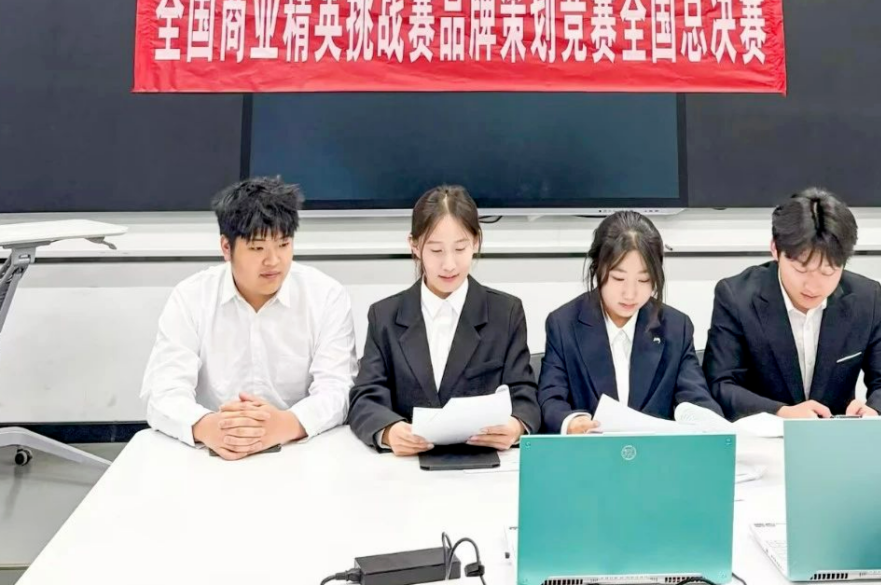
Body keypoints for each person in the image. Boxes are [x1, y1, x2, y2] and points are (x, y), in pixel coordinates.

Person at [140, 177, 358, 459]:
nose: (273, 261)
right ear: (226, 247)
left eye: (283, 244)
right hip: (213, 452)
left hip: (300, 449)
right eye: (257, 248)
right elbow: (163, 390)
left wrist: (285, 424)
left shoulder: (326, 295)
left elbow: (338, 388)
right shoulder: (191, 297)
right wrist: (207, 426)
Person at [347, 185, 539, 455]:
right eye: (436, 251)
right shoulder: (384, 316)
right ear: (414, 246)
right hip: (406, 464)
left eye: (460, 249)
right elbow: (365, 397)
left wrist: (515, 426)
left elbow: (524, 394)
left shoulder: (505, 313)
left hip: (484, 461)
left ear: (476, 242)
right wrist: (389, 431)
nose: (449, 264)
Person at [703, 187, 881, 420]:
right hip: (764, 435)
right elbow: (721, 385)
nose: (813, 286)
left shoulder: (865, 298)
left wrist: (875, 411)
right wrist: (782, 413)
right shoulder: (737, 296)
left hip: (834, 436)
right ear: (775, 250)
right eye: (801, 269)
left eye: (828, 271)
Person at [538, 210, 721, 434]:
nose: (630, 293)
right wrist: (571, 423)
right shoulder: (564, 324)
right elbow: (551, 399)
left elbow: (697, 399)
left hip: (655, 453)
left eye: (644, 280)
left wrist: (709, 424)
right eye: (618, 278)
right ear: (597, 268)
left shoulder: (676, 327)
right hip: (590, 451)